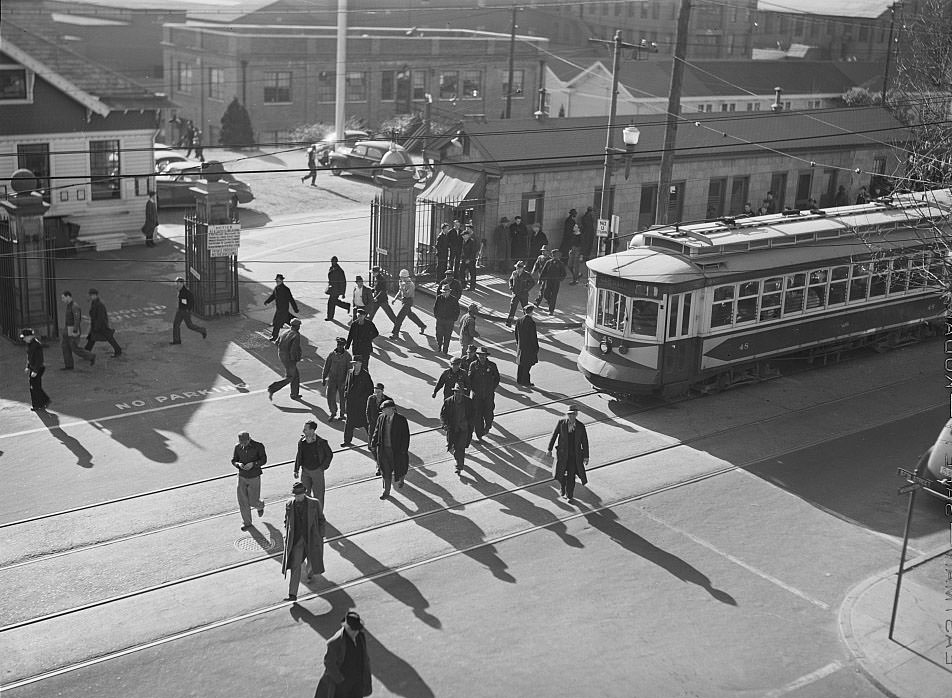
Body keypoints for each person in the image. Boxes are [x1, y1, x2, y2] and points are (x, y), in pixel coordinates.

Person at [282, 481, 326, 602]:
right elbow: (286, 521)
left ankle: (310, 572)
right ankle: (292, 594)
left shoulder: (314, 503)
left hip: (311, 539)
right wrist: (287, 534)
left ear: (304, 493)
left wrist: (320, 536)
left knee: (312, 561)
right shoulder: (289, 504)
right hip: (296, 541)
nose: (297, 497)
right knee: (295, 566)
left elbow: (321, 520)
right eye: (296, 495)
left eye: (299, 494)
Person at [313, 611, 372, 698]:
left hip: (358, 682)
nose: (356, 632)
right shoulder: (335, 642)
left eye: (357, 629)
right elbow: (329, 663)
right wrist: (340, 681)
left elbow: (364, 656)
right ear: (346, 627)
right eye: (353, 629)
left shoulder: (360, 636)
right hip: (343, 685)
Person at [546, 405, 589, 503]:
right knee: (560, 474)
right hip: (562, 455)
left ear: (576, 415)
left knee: (571, 476)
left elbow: (585, 441)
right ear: (567, 415)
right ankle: (562, 487)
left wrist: (586, 456)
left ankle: (570, 495)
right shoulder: (561, 423)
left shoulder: (580, 426)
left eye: (574, 414)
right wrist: (549, 449)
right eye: (570, 414)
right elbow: (554, 435)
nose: (572, 416)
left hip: (574, 457)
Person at [370, 398, 410, 499]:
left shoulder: (401, 420)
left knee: (400, 469)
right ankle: (386, 492)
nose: (383, 411)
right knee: (385, 472)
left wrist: (403, 450)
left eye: (384, 409)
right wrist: (373, 443)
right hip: (383, 451)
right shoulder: (381, 418)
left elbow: (406, 436)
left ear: (391, 409)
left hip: (396, 451)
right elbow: (377, 430)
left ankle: (401, 480)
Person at [231, 431, 267, 531]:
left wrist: (253, 464)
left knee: (253, 501)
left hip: (254, 477)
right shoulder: (237, 447)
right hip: (242, 476)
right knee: (242, 501)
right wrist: (239, 464)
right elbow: (234, 460)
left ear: (249, 439)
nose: (242, 444)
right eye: (241, 442)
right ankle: (247, 523)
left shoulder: (258, 446)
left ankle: (260, 505)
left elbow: (264, 460)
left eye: (244, 442)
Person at [294, 421, 333, 505]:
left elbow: (329, 455)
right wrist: (296, 469)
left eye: (306, 429)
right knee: (304, 494)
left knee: (318, 495)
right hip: (305, 471)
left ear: (312, 430)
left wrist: (322, 467)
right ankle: (308, 514)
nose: (303, 431)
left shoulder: (321, 442)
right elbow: (299, 455)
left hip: (317, 471)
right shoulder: (302, 442)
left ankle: (319, 516)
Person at [440, 383, 476, 474]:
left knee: (461, 447)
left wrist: (469, 423)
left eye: (460, 392)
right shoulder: (448, 402)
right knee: (454, 447)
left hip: (464, 429)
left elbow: (473, 414)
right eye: (456, 392)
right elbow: (443, 415)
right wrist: (444, 424)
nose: (458, 394)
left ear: (462, 393)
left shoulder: (468, 402)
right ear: (454, 393)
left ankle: (459, 466)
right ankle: (458, 460)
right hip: (453, 429)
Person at [468, 347, 500, 441]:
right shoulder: (473, 365)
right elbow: (469, 379)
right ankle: (479, 434)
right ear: (477, 355)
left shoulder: (492, 365)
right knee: (477, 415)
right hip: (477, 395)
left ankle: (488, 426)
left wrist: (492, 388)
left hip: (488, 395)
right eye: (480, 355)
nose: (482, 357)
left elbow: (497, 378)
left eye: (484, 355)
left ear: (486, 356)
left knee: (489, 413)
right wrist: (473, 389)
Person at [268, 318, 303, 401]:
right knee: (291, 376)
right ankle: (273, 388)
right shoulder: (296, 335)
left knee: (295, 375)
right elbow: (293, 350)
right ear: (297, 326)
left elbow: (277, 343)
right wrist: (295, 359)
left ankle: (294, 394)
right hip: (289, 358)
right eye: (299, 326)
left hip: (282, 355)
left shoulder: (284, 332)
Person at [341, 358, 373, 447]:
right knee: (349, 423)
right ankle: (347, 441)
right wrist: (346, 393)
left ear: (360, 363)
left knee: (366, 423)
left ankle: (373, 441)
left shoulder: (365, 375)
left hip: (361, 405)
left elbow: (370, 390)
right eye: (353, 363)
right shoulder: (350, 372)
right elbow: (347, 384)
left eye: (356, 363)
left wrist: (362, 399)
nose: (354, 365)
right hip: (351, 404)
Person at [60, 291, 96, 370]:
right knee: (65, 347)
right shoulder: (69, 306)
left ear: (68, 297)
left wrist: (75, 331)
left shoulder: (74, 306)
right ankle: (68, 365)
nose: (62, 300)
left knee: (74, 348)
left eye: (63, 298)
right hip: (67, 330)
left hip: (72, 329)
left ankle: (91, 356)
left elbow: (77, 319)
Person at [84, 288, 122, 357]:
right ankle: (86, 351)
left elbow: (100, 317)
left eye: (90, 295)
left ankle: (118, 350)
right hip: (97, 325)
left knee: (108, 338)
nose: (89, 297)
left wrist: (96, 327)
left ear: (95, 295)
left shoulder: (99, 304)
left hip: (101, 326)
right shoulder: (94, 302)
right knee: (93, 338)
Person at [390, 269, 426, 338]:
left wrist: (403, 287)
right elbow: (400, 291)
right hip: (403, 301)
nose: (400, 278)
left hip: (408, 301)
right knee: (410, 315)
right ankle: (422, 325)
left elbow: (408, 294)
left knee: (399, 318)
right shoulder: (401, 281)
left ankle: (395, 334)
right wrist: (395, 298)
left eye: (402, 277)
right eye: (400, 277)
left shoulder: (411, 284)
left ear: (406, 277)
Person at [322, 337, 352, 421]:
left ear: (344, 346)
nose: (339, 347)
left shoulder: (347, 356)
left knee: (343, 398)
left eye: (341, 345)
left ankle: (342, 413)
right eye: (338, 345)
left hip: (342, 381)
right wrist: (324, 377)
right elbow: (326, 366)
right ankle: (333, 412)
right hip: (332, 380)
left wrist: (347, 382)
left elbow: (349, 370)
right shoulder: (331, 355)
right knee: (330, 397)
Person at [171, 276, 207, 345]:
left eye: (178, 283)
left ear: (182, 284)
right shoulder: (180, 290)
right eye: (176, 283)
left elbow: (191, 301)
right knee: (176, 324)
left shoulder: (186, 292)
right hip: (180, 310)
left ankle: (203, 330)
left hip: (185, 311)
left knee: (189, 325)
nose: (176, 285)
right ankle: (177, 341)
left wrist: (188, 309)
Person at [21, 328, 50, 411]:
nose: (24, 339)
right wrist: (28, 366)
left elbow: (39, 359)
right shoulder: (30, 344)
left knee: (34, 387)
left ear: (30, 336)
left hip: (38, 368)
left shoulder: (36, 345)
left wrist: (35, 371)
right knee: (34, 387)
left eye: (25, 337)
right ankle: (41, 402)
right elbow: (29, 357)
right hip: (34, 368)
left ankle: (40, 403)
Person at [264, 274, 299, 341]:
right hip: (279, 309)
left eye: (279, 281)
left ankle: (274, 337)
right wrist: (267, 301)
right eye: (276, 281)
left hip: (283, 310)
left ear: (282, 281)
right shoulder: (276, 288)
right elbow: (273, 296)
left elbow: (291, 299)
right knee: (288, 321)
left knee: (277, 323)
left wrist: (295, 309)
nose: (277, 282)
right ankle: (296, 327)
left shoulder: (286, 289)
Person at [514, 304, 539, 387]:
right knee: (527, 365)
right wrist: (536, 347)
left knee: (521, 364)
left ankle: (519, 379)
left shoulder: (519, 320)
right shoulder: (531, 322)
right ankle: (525, 381)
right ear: (531, 312)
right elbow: (533, 337)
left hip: (521, 346)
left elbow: (516, 334)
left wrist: (518, 343)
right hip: (529, 347)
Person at [505, 260, 535, 327]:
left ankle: (527, 323)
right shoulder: (514, 273)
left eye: (520, 268)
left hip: (523, 294)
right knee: (512, 308)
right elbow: (511, 280)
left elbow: (532, 282)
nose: (518, 269)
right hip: (515, 294)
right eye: (517, 267)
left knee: (525, 309)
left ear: (523, 268)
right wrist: (511, 286)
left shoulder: (526, 274)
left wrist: (526, 289)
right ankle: (509, 322)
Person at [433, 286, 461, 354]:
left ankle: (445, 350)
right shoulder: (439, 298)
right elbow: (435, 308)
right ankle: (439, 346)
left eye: (446, 292)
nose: (444, 293)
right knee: (439, 334)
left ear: (449, 292)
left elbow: (457, 310)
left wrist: (454, 319)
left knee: (447, 336)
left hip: (449, 321)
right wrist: (436, 316)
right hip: (440, 320)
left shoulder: (454, 299)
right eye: (443, 292)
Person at [538, 248, 567, 315]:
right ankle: (550, 302)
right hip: (548, 281)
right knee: (546, 294)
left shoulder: (560, 264)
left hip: (556, 282)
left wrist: (560, 279)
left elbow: (564, 274)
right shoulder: (548, 262)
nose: (555, 257)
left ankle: (551, 310)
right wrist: (541, 278)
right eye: (553, 255)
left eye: (556, 255)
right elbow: (543, 271)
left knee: (554, 296)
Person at [365, 382, 390, 450]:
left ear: (382, 391)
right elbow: (368, 410)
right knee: (371, 434)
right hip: (373, 421)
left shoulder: (387, 400)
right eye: (375, 392)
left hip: (383, 422)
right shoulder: (371, 398)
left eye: (378, 392)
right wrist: (369, 421)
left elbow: (392, 412)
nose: (376, 394)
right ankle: (371, 446)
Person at [562, 209, 583, 285]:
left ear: (578, 229)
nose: (574, 227)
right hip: (572, 249)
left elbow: (583, 245)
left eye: (575, 226)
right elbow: (570, 242)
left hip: (578, 250)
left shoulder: (581, 236)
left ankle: (575, 280)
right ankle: (577, 275)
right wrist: (570, 249)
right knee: (569, 265)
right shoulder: (573, 235)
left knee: (576, 265)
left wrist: (581, 254)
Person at [326, 256, 350, 322]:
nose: (332, 262)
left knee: (331, 303)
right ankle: (346, 306)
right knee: (334, 302)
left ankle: (330, 317)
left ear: (336, 262)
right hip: (332, 289)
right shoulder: (331, 268)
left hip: (336, 290)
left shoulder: (340, 271)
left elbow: (343, 282)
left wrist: (343, 293)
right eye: (331, 261)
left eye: (333, 261)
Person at [460, 225, 479, 290]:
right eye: (463, 236)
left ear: (468, 235)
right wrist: (463, 259)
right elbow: (462, 251)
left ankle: (472, 287)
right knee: (461, 272)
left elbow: (473, 251)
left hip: (471, 260)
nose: (464, 237)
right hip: (464, 260)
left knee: (472, 273)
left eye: (465, 235)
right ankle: (463, 285)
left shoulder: (472, 242)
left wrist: (469, 259)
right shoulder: (463, 242)